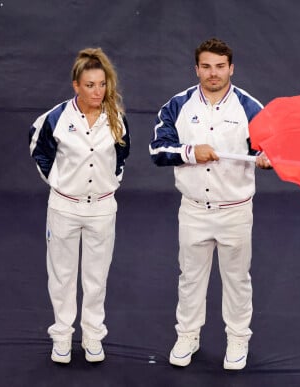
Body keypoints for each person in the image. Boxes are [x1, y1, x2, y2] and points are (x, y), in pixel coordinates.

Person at [149, 37, 271, 370]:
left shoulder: (250, 108)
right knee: (190, 278)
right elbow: (157, 151)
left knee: (236, 278)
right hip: (193, 211)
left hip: (235, 210)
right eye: (206, 66)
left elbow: (270, 149)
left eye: (220, 66)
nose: (213, 73)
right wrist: (190, 152)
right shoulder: (178, 106)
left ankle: (237, 339)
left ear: (231, 68)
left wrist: (266, 158)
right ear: (197, 69)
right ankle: (188, 335)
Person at [29, 48, 130, 364]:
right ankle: (61, 335)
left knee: (96, 277)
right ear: (76, 85)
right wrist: (60, 183)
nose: (97, 91)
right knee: (62, 275)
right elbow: (39, 150)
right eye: (90, 85)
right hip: (65, 208)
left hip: (101, 209)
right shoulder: (56, 118)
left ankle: (93, 336)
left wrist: (106, 185)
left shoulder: (117, 119)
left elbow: (121, 158)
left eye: (101, 84)